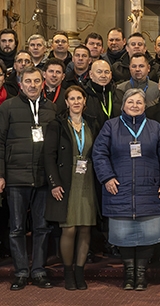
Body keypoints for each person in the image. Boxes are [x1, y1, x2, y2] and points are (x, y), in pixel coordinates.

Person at [94, 89, 160, 291]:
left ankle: (141, 275)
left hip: (149, 189)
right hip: (118, 188)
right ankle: (129, 274)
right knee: (124, 235)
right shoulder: (110, 126)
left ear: (145, 106)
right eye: (131, 102)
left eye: (139, 102)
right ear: (123, 105)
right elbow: (99, 153)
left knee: (147, 234)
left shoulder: (155, 127)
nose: (135, 105)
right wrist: (107, 177)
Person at [0, 66, 54, 290]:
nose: (32, 85)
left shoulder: (51, 109)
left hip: (43, 178)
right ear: (20, 83)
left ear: (43, 82)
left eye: (37, 81)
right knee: (16, 227)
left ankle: (38, 270)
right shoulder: (7, 107)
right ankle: (20, 271)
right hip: (15, 178)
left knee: (42, 227)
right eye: (28, 81)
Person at [45, 86, 100, 291]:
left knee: (85, 228)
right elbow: (49, 156)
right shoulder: (56, 125)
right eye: (72, 98)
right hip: (66, 182)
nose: (76, 102)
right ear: (66, 102)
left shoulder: (92, 123)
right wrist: (54, 183)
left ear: (84, 101)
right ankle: (68, 273)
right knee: (69, 229)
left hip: (87, 181)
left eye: (79, 98)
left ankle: (80, 271)